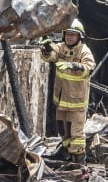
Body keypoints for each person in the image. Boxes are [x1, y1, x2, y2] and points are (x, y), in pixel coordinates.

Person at [40, 19, 96, 163]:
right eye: (67, 34)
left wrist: (73, 66)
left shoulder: (84, 51)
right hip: (61, 101)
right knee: (64, 132)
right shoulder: (60, 48)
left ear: (79, 37)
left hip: (77, 103)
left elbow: (89, 68)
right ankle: (67, 159)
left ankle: (79, 164)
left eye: (73, 34)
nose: (69, 37)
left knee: (76, 135)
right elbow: (51, 56)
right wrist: (47, 49)